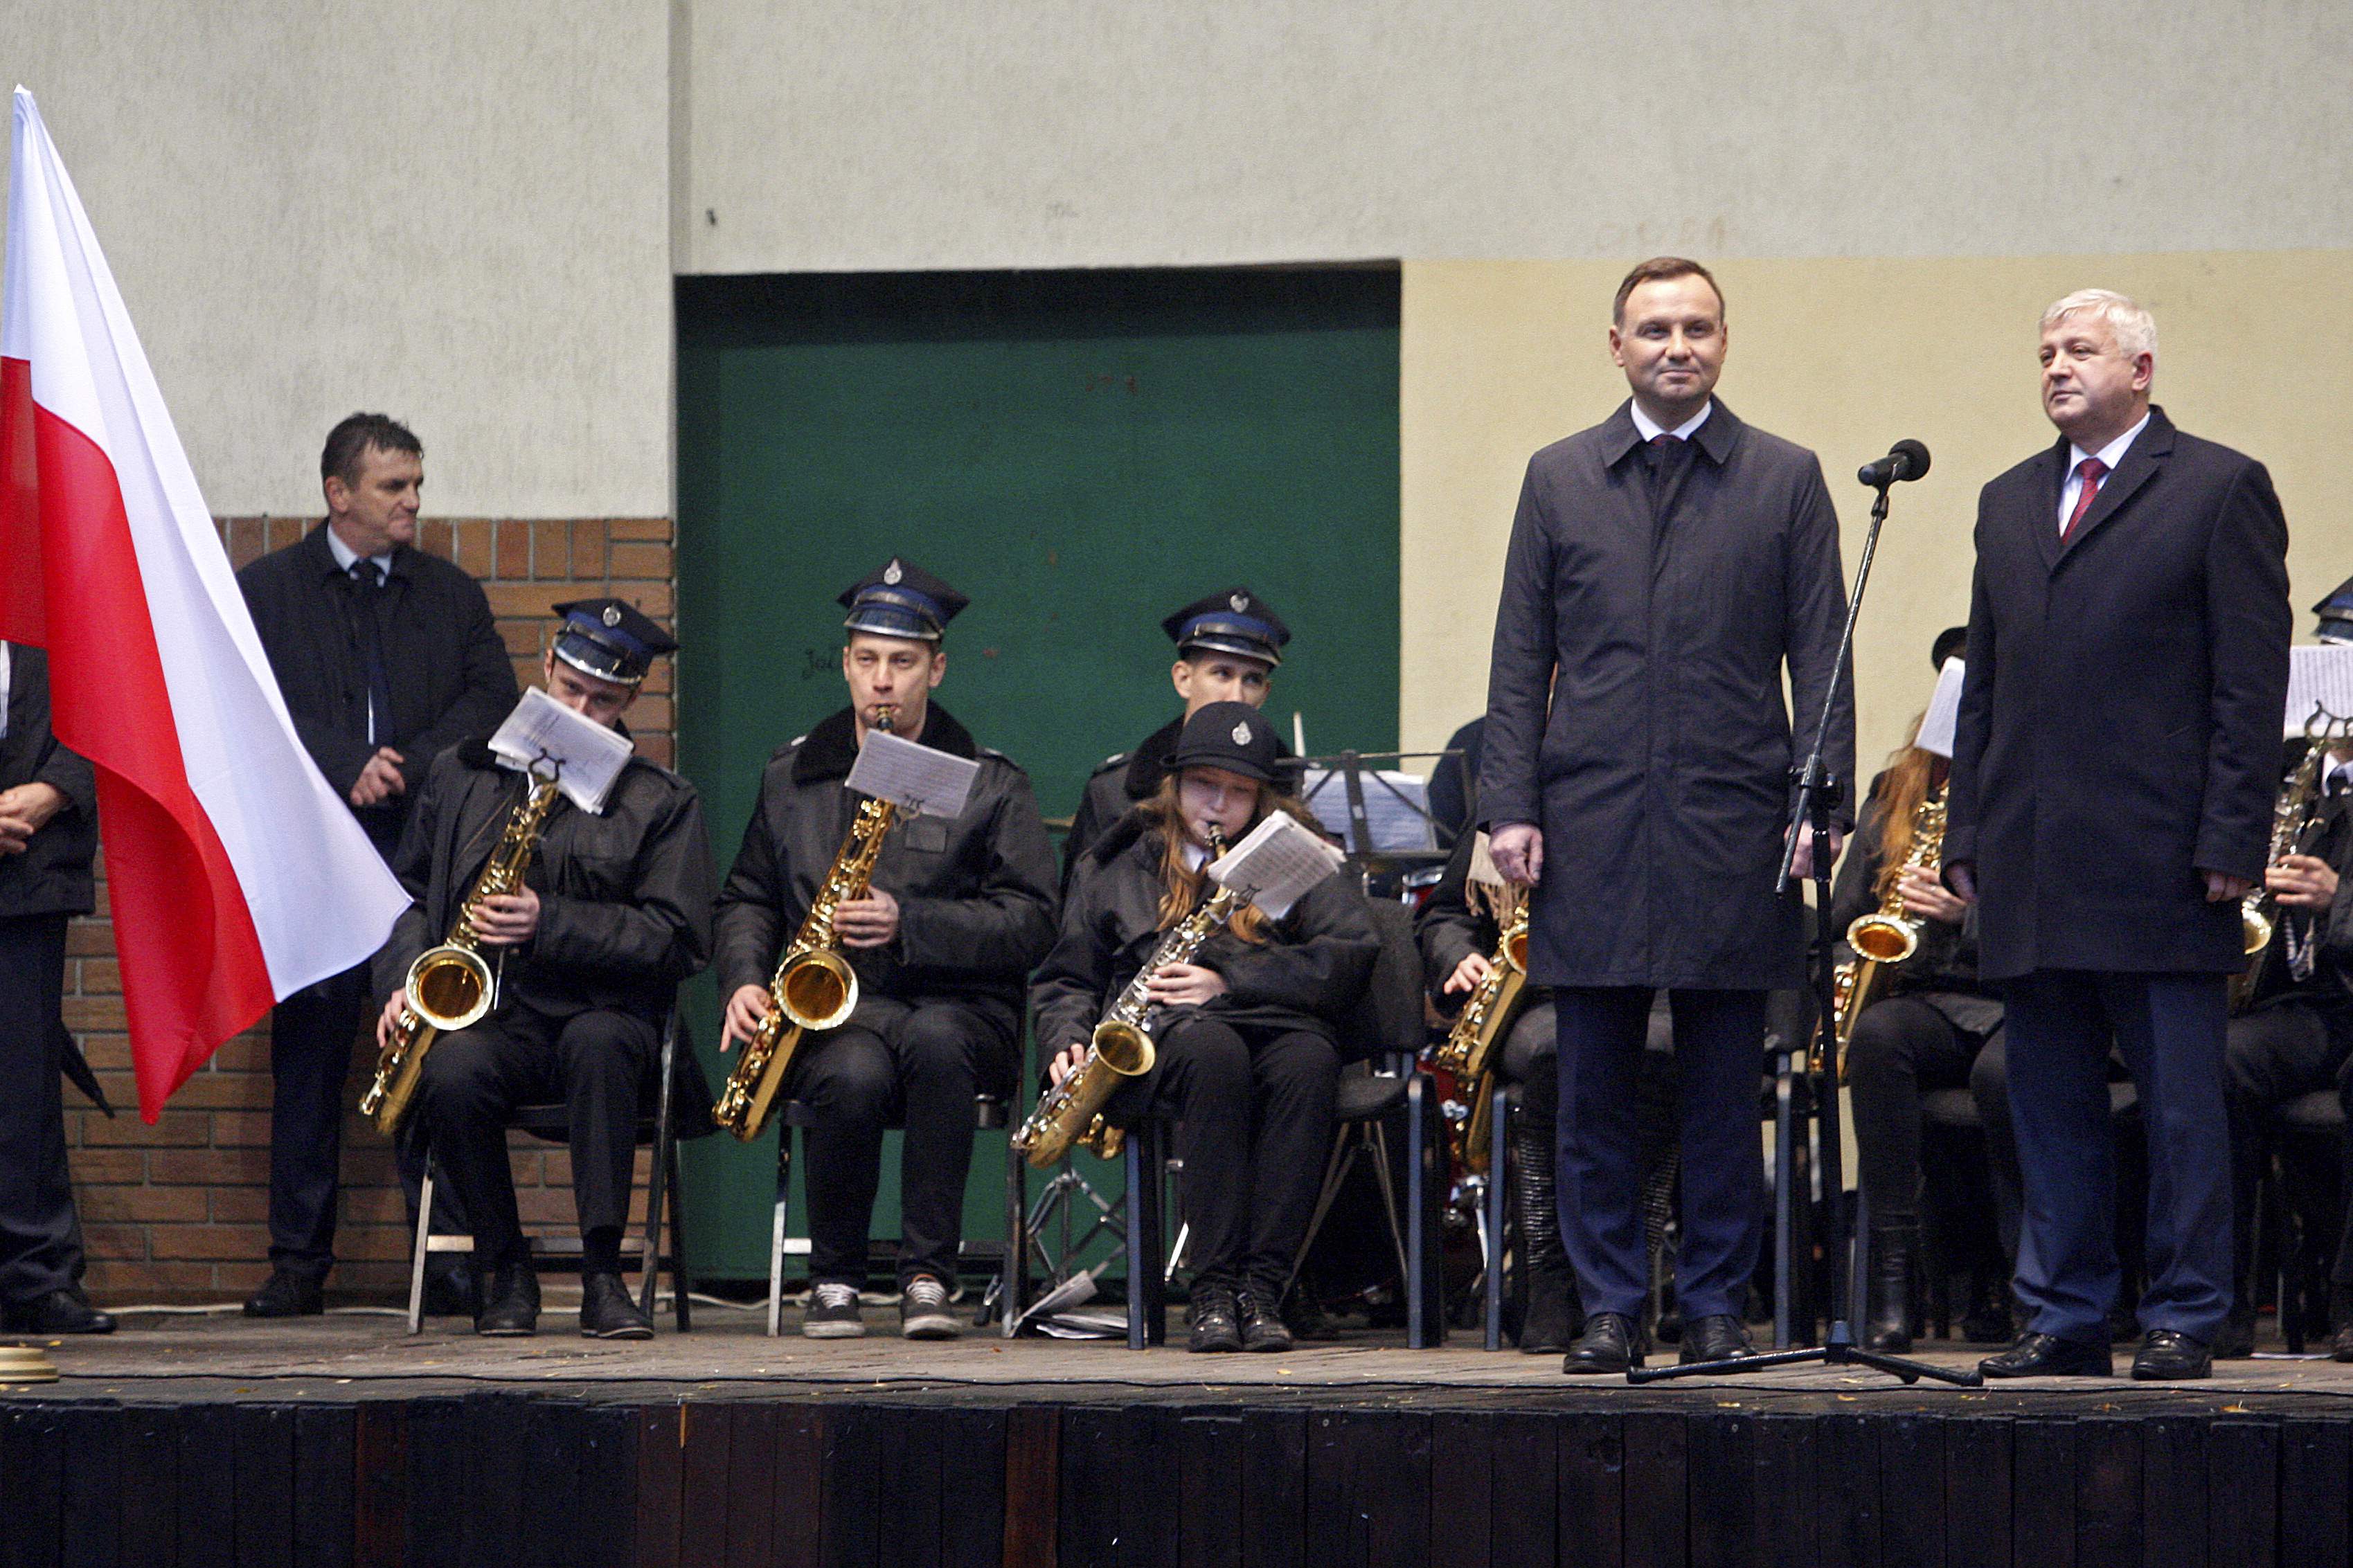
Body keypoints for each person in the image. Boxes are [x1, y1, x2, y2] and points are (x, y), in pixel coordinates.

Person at [1479, 256, 1852, 1375]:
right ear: (1615, 346)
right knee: (1589, 1087)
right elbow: (1515, 659)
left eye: (1695, 328)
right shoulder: (1555, 479)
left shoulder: (1785, 479)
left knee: (1717, 1090)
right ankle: (1604, 1305)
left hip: (1733, 825)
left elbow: (1821, 655)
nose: (1675, 346)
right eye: (1653, 329)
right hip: (1588, 824)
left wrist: (1815, 805)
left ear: (1723, 344)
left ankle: (1712, 1308)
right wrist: (1507, 805)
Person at [1946, 289, 2291, 1381]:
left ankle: (2187, 1312)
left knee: (2182, 1105)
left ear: (2140, 368)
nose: (2055, 365)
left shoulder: (2217, 486)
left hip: (2161, 858)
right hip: (2029, 858)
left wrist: (2230, 832)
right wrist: (1966, 830)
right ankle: (2065, 1313)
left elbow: (2249, 685)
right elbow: (1984, 685)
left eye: (2080, 349)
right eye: (2044, 350)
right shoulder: (2006, 500)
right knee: (2046, 1102)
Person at [715, 560, 1058, 1340]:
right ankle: (833, 1280)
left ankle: (927, 1277)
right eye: (866, 660)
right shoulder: (791, 776)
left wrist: (913, 922)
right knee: (851, 1070)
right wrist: (742, 977)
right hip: (840, 1016)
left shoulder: (990, 784)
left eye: (902, 663)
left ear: (935, 669)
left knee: (935, 1045)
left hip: (958, 1009)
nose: (882, 682)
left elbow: (1034, 920)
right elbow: (746, 898)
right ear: (844, 664)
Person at [238, 414, 518, 1317]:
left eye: (416, 484)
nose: (412, 501)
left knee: (426, 1044)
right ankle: (297, 1262)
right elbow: (242, 706)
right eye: (394, 486)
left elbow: (492, 700)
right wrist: (340, 761)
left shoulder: (449, 593)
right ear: (338, 493)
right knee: (309, 1060)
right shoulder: (269, 591)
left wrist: (412, 761)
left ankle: (441, 1260)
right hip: (311, 855)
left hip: (418, 857)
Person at [380, 600, 713, 1339]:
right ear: (547, 671)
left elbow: (681, 938)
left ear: (629, 702)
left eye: (602, 700)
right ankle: (506, 1271)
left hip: (605, 1015)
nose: (580, 711)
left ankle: (603, 1277)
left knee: (598, 1045)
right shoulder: (462, 775)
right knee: (453, 1072)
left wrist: (549, 922)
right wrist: (404, 978)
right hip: (498, 1017)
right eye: (569, 690)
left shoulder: (660, 800)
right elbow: (404, 896)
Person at [1034, 702, 1379, 1353]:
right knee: (1212, 1051)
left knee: (1307, 1063)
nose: (1218, 805)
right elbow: (1066, 978)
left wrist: (1229, 979)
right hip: (1169, 1041)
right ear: (1175, 783)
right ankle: (1214, 1288)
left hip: (1279, 1025)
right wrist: (1065, 1037)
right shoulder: (1117, 862)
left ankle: (1264, 1287)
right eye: (1203, 785)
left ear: (1261, 796)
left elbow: (1351, 953)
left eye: (1239, 790)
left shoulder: (1297, 856)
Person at [1832, 632, 2008, 1352]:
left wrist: (1968, 915)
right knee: (1876, 1038)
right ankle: (1894, 1280)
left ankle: (2011, 1277)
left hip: (2013, 995)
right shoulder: (1896, 794)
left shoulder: (2035, 782)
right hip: (1928, 994)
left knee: (2005, 1072)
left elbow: (2068, 910)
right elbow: (1844, 920)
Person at [1415, 828, 1575, 1351]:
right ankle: (1543, 1281)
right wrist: (1457, 955)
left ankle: (1625, 1288)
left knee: (1655, 1056)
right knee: (1555, 1053)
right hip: (1537, 1005)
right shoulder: (1501, 817)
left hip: (1645, 994)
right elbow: (1443, 914)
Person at [0, 645, 112, 1336]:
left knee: (24, 1090)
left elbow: (110, 716)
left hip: (29, 883)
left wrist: (53, 792)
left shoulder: (55, 622)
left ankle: (35, 1279)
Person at [1061, 588, 1292, 888]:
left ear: (1265, 693)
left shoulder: (1297, 789)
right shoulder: (1115, 789)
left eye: (1252, 679)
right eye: (1222, 674)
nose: (1237, 695)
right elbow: (1077, 911)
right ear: (1184, 679)